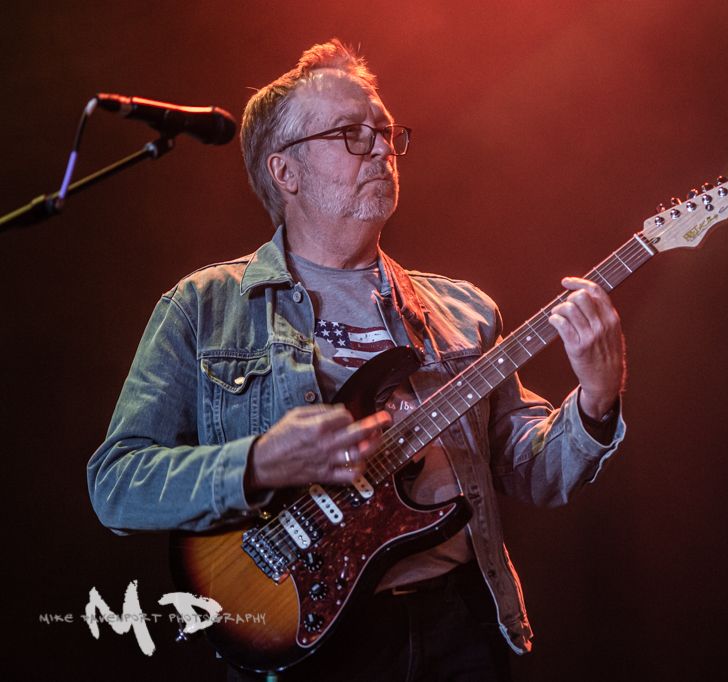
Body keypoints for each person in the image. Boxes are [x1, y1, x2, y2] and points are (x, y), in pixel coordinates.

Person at [88, 39, 627, 681]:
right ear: (285, 171)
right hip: (308, 644)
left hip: (458, 629)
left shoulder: (464, 311)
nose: (380, 148)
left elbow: (531, 471)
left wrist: (595, 403)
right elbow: (116, 485)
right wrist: (257, 463)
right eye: (351, 132)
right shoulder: (204, 307)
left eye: (385, 132)